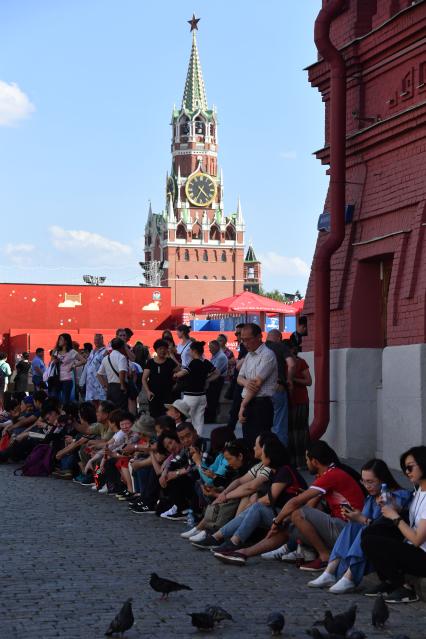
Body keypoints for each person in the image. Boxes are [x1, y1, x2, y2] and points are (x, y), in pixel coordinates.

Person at [221, 441, 365, 567]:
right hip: (339, 527)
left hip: (348, 528)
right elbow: (309, 505)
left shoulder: (331, 475)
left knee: (296, 513)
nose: (306, 462)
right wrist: (284, 521)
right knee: (290, 524)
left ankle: (324, 556)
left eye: (307, 459)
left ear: (314, 461)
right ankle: (244, 552)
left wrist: (277, 522)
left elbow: (296, 502)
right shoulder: (325, 475)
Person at [308, 458, 411, 593]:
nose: (367, 486)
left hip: (388, 542)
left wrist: (362, 519)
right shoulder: (371, 498)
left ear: (382, 480)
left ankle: (349, 577)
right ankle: (330, 571)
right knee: (353, 526)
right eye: (363, 481)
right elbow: (367, 521)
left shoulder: (397, 496)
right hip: (371, 541)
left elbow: (385, 527)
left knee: (364, 528)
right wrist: (356, 517)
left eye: (370, 482)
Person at [362, 446, 426, 603]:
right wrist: (394, 508)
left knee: (372, 541)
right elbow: (413, 519)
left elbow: (418, 539)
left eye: (410, 467)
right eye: (405, 468)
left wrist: (395, 516)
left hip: (422, 554)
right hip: (412, 546)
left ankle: (405, 588)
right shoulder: (419, 490)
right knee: (371, 532)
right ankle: (390, 582)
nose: (407, 472)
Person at [237, 323, 278, 447]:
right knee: (248, 441)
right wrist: (246, 382)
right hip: (248, 402)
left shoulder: (268, 355)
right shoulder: (249, 355)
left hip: (261, 403)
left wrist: (242, 405)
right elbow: (239, 377)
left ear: (259, 337)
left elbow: (256, 384)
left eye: (248, 339)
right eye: (242, 340)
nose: (245, 343)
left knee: (260, 443)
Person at [174, 341, 219, 434]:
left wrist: (175, 374)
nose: (189, 352)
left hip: (191, 395)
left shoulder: (194, 362)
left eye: (190, 350)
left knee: (184, 417)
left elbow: (183, 373)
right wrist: (207, 380)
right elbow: (217, 373)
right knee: (199, 420)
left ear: (194, 351)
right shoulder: (206, 362)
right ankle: (197, 441)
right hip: (202, 396)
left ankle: (184, 438)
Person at [265, 330, 295, 447]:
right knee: (280, 424)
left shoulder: (260, 348)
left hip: (261, 390)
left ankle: (264, 454)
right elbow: (291, 364)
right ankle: (280, 456)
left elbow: (239, 365)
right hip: (278, 387)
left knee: (264, 424)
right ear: (279, 338)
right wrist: (289, 380)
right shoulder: (280, 346)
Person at [287, 341, 312, 468]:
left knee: (300, 432)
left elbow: (308, 381)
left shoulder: (300, 362)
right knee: (290, 432)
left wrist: (292, 379)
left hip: (300, 400)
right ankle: (292, 460)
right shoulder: (281, 363)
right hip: (287, 401)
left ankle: (303, 461)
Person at [143, 339, 178, 418]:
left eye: (164, 348)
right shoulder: (150, 362)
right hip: (153, 394)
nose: (162, 351)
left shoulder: (170, 362)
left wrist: (176, 383)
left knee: (167, 415)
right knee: (154, 415)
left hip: (167, 393)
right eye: (160, 349)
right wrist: (148, 391)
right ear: (156, 350)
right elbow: (144, 379)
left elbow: (179, 372)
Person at [51, 334, 86, 403]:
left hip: (67, 379)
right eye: (59, 339)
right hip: (57, 378)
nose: (59, 341)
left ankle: (65, 412)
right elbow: (51, 362)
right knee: (55, 400)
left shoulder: (72, 352)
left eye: (61, 339)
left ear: (66, 341)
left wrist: (74, 365)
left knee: (65, 400)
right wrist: (54, 361)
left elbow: (84, 361)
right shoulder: (57, 351)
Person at [96, 337, 129, 410]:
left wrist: (105, 387)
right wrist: (123, 386)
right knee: (121, 409)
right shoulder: (121, 357)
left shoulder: (106, 358)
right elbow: (122, 372)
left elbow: (98, 374)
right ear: (122, 346)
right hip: (119, 386)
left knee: (111, 410)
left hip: (110, 387)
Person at [205, 340, 228, 423]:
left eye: (211, 348)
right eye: (209, 347)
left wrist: (206, 378)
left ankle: (210, 419)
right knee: (210, 400)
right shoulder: (215, 355)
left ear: (217, 347)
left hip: (217, 380)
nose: (210, 349)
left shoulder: (221, 357)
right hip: (213, 380)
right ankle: (209, 418)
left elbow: (215, 371)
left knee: (212, 400)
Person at [79, 334, 107, 403]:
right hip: (90, 381)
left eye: (98, 339)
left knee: (101, 400)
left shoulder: (105, 351)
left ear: (102, 340)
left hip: (100, 380)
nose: (96, 341)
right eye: (95, 340)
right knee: (93, 401)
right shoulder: (92, 351)